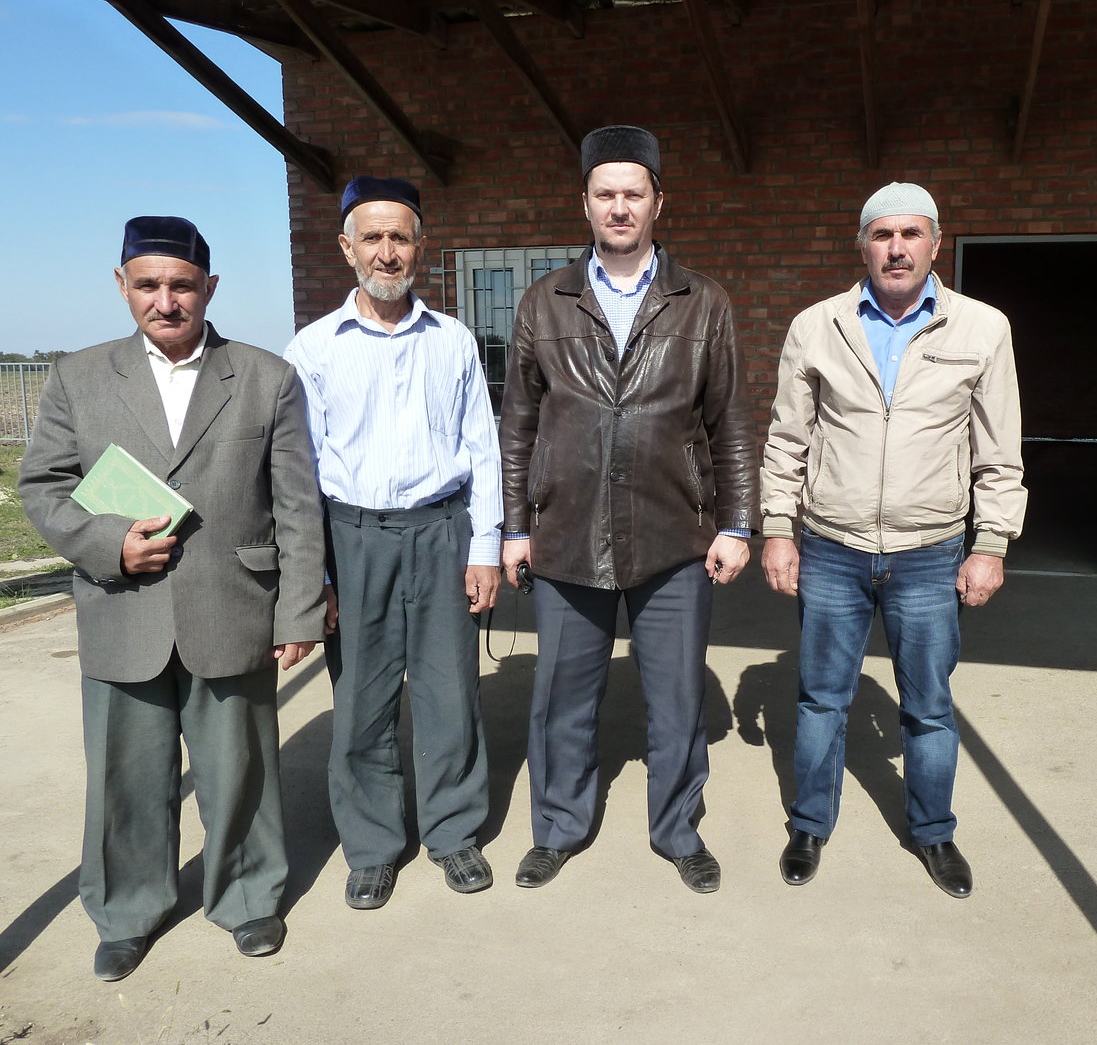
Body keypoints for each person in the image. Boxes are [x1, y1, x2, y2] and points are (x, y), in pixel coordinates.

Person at [19, 216, 326, 980]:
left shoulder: (265, 376)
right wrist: (108, 544)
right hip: (123, 610)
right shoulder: (79, 377)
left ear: (209, 288)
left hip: (234, 606)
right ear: (121, 286)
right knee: (126, 777)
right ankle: (128, 910)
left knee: (240, 773)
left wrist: (297, 610)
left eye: (182, 285)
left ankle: (248, 898)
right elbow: (44, 485)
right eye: (148, 284)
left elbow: (296, 504)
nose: (166, 301)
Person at [498, 125, 758, 893]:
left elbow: (731, 422)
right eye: (605, 194)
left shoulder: (702, 302)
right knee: (562, 699)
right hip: (567, 532)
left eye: (633, 194)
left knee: (676, 698)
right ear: (585, 203)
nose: (619, 207)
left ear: (657, 203)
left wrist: (737, 523)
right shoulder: (544, 301)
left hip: (673, 533)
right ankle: (559, 828)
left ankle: (678, 830)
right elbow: (517, 425)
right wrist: (514, 527)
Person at [759, 182, 1027, 897]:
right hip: (831, 548)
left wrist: (991, 543)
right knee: (821, 699)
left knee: (929, 706)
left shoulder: (981, 329)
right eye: (882, 235)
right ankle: (809, 825)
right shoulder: (818, 326)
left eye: (911, 234)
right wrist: (778, 529)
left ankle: (933, 833)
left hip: (930, 553)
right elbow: (786, 440)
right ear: (863, 245)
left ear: (936, 243)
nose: (897, 248)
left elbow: (999, 452)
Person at [283, 177, 502, 911]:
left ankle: (453, 832)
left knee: (450, 694)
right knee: (361, 701)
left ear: (420, 247)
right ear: (346, 249)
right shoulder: (314, 349)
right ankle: (373, 847)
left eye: (399, 237)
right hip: (353, 539)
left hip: (442, 533)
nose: (386, 252)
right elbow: (300, 471)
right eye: (371, 238)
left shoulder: (454, 341)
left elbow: (483, 449)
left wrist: (484, 547)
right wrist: (315, 576)